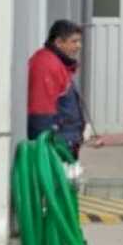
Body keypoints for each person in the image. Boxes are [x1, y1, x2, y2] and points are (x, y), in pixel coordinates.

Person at [27, 19, 99, 158]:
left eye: (79, 41)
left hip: (64, 142)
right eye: (74, 41)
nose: (79, 46)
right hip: (57, 147)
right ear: (59, 42)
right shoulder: (46, 66)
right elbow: (40, 113)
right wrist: (45, 154)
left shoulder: (55, 63)